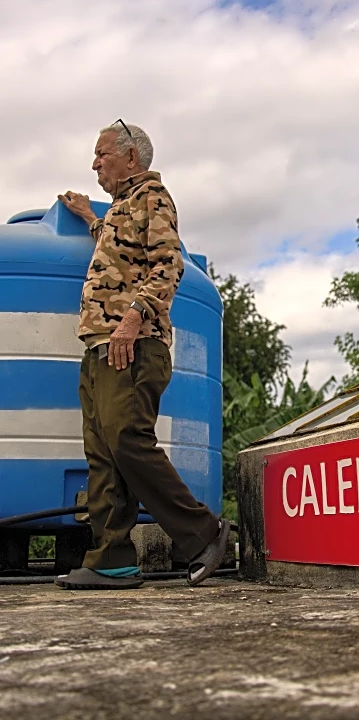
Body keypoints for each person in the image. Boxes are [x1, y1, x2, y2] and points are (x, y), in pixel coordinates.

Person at [55, 120, 229, 590]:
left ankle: (205, 534)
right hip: (98, 346)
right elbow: (118, 252)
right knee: (103, 452)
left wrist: (132, 319)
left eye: (101, 154)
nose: (94, 163)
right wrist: (86, 216)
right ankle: (111, 556)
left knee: (127, 440)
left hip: (132, 344)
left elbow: (167, 263)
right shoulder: (119, 211)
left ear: (131, 157)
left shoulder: (154, 198)